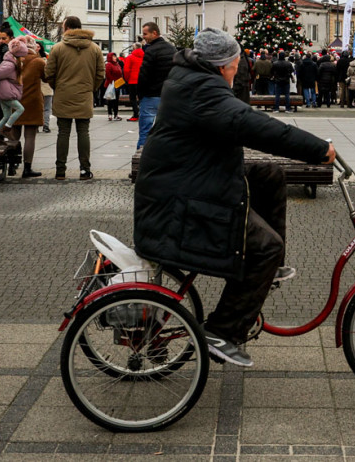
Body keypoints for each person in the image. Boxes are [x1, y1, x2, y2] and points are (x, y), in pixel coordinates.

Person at [133, 28, 334, 367]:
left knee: (270, 175)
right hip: (181, 201)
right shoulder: (205, 91)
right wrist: (317, 148)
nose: (237, 71)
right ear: (224, 65)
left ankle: (267, 269)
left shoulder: (191, 79)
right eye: (236, 65)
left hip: (188, 180)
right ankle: (223, 331)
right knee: (267, 247)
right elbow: (253, 125)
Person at [45, 16, 104, 181]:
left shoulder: (57, 48)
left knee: (63, 132)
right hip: (85, 94)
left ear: (67, 28)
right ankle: (85, 170)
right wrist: (91, 88)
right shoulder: (94, 48)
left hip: (63, 94)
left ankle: (60, 171)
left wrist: (58, 87)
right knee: (83, 132)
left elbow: (49, 73)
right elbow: (100, 74)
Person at [6, 36, 46, 178]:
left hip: (13, 102)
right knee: (30, 136)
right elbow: (47, 77)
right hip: (32, 102)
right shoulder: (38, 61)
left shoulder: (11, 60)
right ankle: (27, 168)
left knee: (13, 136)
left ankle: (11, 166)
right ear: (33, 46)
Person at [137, 22, 176, 148]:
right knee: (167, 132)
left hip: (151, 95)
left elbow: (144, 75)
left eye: (145, 34)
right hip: (168, 96)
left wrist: (140, 94)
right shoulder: (172, 49)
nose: (143, 37)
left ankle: (142, 161)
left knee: (145, 132)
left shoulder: (151, 51)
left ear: (154, 33)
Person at [0, 37, 28, 145]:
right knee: (20, 109)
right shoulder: (10, 64)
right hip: (6, 94)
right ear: (18, 55)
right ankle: (6, 128)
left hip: (3, 93)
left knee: (6, 116)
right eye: (23, 56)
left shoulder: (11, 62)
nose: (25, 58)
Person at [123, 42, 143, 122]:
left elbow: (126, 70)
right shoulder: (145, 57)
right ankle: (142, 114)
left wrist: (127, 79)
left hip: (132, 81)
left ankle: (135, 114)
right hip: (142, 81)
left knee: (133, 98)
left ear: (134, 49)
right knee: (142, 98)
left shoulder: (130, 57)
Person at [103, 52, 124, 121]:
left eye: (115, 56)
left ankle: (116, 114)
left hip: (117, 83)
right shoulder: (109, 64)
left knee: (116, 100)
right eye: (113, 56)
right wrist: (112, 81)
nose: (115, 58)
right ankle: (110, 114)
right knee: (110, 100)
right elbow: (108, 74)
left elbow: (120, 73)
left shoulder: (117, 64)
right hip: (111, 84)